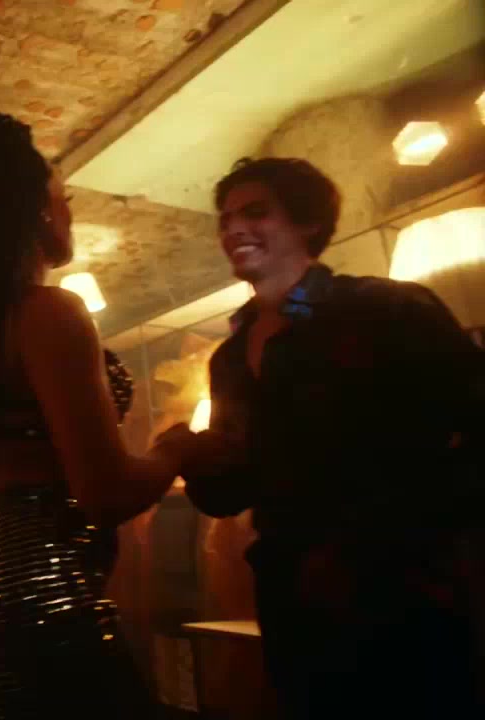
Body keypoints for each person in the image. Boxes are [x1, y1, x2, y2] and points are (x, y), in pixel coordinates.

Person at [0, 109, 192, 719]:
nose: (70, 211)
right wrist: (178, 449)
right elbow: (105, 494)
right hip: (36, 592)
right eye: (64, 197)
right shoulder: (50, 312)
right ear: (38, 211)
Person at [173, 157, 485, 718]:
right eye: (225, 219)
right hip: (292, 601)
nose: (233, 229)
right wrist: (195, 458)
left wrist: (398, 544)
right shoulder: (229, 359)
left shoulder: (386, 308)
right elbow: (231, 493)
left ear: (308, 222)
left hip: (404, 590)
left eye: (255, 212)